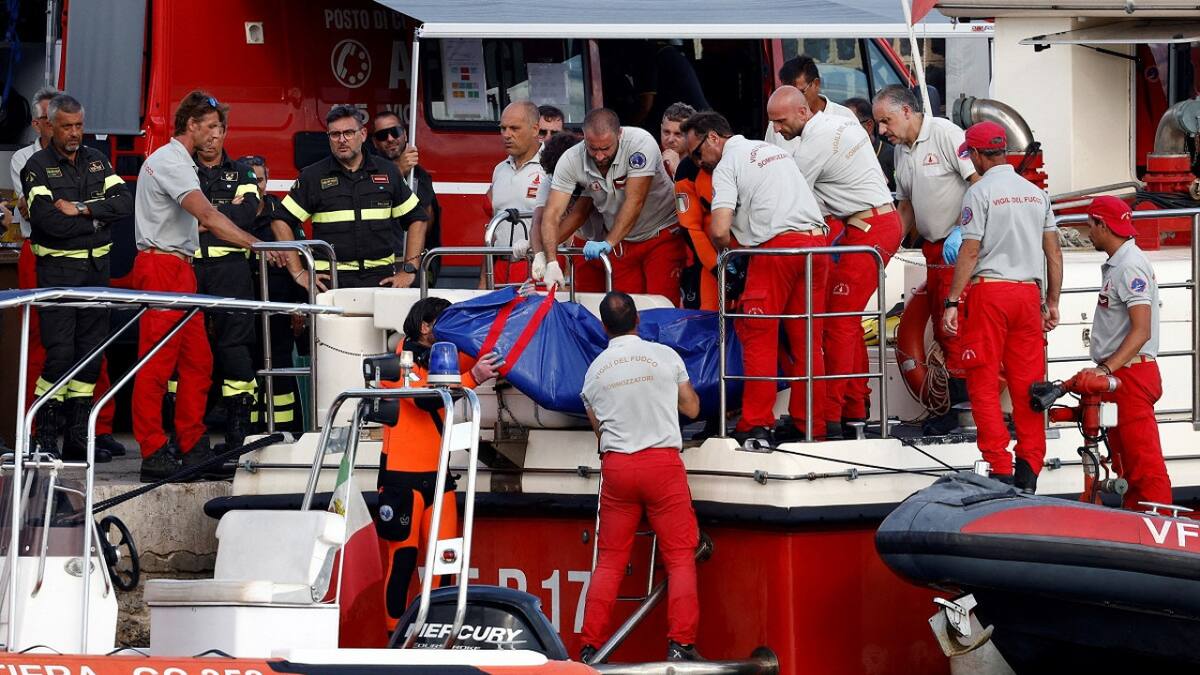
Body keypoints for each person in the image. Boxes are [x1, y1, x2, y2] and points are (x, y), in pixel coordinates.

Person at [129, 91, 264, 482]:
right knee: (157, 364)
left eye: (219, 127)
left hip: (179, 267)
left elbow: (203, 219)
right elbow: (206, 214)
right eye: (210, 126)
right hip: (161, 266)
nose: (216, 135)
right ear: (191, 125)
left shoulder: (180, 162)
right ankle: (153, 451)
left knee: (198, 363)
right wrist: (257, 245)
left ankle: (192, 447)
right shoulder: (172, 162)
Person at [684, 111, 830, 444]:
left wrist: (731, 259)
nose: (698, 163)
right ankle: (812, 425)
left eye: (697, 153)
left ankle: (755, 423)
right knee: (808, 342)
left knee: (758, 336)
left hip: (776, 250)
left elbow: (719, 229)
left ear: (713, 138)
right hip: (815, 247)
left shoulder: (727, 165)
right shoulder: (773, 150)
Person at [766, 86, 901, 438]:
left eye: (780, 122)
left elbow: (787, 195)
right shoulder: (841, 122)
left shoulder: (814, 143)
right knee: (845, 322)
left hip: (869, 228)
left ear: (802, 112)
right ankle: (853, 408)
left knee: (838, 323)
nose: (776, 129)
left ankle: (831, 416)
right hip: (870, 224)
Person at [578, 291, 701, 663]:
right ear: (638, 320)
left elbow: (599, 431)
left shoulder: (594, 372)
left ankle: (590, 647)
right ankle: (680, 645)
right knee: (679, 557)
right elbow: (692, 409)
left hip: (618, 468)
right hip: (661, 465)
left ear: (604, 327)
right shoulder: (665, 356)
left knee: (610, 561)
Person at [942, 121, 1062, 493]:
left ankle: (999, 467)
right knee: (1030, 388)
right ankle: (1029, 469)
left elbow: (970, 250)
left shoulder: (978, 193)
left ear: (978, 154)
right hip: (1028, 296)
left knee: (982, 382)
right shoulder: (1036, 194)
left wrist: (951, 300)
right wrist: (1052, 302)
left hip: (990, 295)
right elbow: (1054, 253)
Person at [376, 297, 501, 635]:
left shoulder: (446, 356)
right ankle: (393, 636)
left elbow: (486, 346)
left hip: (438, 480)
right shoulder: (396, 365)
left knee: (445, 562)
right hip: (401, 482)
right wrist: (472, 378)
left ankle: (436, 631)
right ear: (425, 326)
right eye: (446, 322)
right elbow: (424, 398)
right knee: (403, 562)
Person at [21, 94, 132, 462]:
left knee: (90, 356)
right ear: (50, 126)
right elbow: (48, 222)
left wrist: (82, 209)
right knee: (60, 355)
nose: (74, 133)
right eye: (67, 126)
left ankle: (76, 438)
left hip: (96, 274)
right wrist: (97, 222)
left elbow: (124, 203)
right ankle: (44, 437)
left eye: (79, 125)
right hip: (58, 275)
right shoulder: (36, 166)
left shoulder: (97, 159)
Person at [874, 84, 979, 434]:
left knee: (954, 329)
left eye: (886, 121)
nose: (881, 131)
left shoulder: (946, 135)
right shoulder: (901, 152)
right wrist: (886, 249)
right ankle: (954, 409)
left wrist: (965, 229)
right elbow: (905, 207)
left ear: (907, 111)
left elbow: (978, 183)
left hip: (958, 249)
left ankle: (964, 413)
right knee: (941, 325)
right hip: (933, 251)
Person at [274, 105, 428, 291]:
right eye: (335, 134)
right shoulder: (313, 176)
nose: (342, 140)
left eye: (348, 133)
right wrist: (298, 272)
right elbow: (280, 221)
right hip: (330, 281)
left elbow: (417, 218)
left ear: (362, 134)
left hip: (381, 279)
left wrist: (409, 269)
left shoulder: (387, 172)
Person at [540, 108, 686, 306]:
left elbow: (635, 201)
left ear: (619, 134)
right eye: (593, 149)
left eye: (606, 148)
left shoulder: (640, 143)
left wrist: (608, 242)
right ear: (584, 137)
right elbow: (552, 212)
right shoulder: (572, 159)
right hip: (622, 241)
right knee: (623, 309)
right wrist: (549, 259)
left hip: (660, 232)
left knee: (662, 305)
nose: (600, 156)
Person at [1080, 196, 1172, 508]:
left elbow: (1141, 330)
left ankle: (1159, 523)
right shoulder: (1123, 263)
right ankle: (1140, 521)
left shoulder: (1129, 266)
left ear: (1103, 226)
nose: (1088, 232)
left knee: (1143, 464)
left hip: (1130, 374)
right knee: (1127, 463)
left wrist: (1105, 370)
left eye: (1091, 225)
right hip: (1125, 373)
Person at [193, 118, 261, 452]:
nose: (211, 137)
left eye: (216, 131)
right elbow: (173, 215)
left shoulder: (243, 173)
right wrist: (221, 214)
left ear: (224, 133)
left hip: (231, 270)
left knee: (234, 348)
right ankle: (187, 436)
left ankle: (238, 435)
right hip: (189, 268)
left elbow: (247, 213)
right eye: (205, 131)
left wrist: (205, 217)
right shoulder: (182, 170)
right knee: (185, 350)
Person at [242, 154, 304, 432]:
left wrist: (299, 306)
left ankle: (284, 430)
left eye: (260, 180)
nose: (256, 186)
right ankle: (250, 432)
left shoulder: (281, 214)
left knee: (279, 368)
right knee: (245, 369)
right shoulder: (231, 214)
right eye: (249, 181)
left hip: (279, 304)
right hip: (243, 304)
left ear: (267, 181)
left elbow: (299, 260)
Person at [525, 131, 608, 293]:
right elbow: (538, 221)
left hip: (612, 241)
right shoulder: (550, 178)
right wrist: (538, 254)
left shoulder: (590, 171)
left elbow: (578, 215)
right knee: (586, 297)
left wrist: (545, 250)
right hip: (584, 243)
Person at [371, 111, 442, 285]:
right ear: (374, 142)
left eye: (395, 132)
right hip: (378, 264)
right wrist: (398, 171)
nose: (390, 139)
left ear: (404, 134)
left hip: (412, 264)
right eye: (382, 135)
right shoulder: (367, 172)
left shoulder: (419, 176)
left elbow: (426, 220)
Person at [484, 101, 543, 287]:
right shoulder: (499, 170)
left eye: (514, 128)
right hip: (500, 266)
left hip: (536, 266)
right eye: (503, 128)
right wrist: (483, 280)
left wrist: (565, 276)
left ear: (535, 129)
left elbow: (566, 225)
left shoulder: (552, 166)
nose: (506, 135)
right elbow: (493, 230)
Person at [764, 56, 856, 154]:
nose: (793, 100)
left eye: (800, 92)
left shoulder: (844, 117)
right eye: (787, 94)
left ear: (816, 84)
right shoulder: (777, 126)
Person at [843, 97, 895, 192]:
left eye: (848, 125)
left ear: (869, 126)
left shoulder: (892, 156)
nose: (841, 132)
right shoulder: (839, 155)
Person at [659, 102, 695, 179]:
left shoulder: (702, 163)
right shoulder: (650, 155)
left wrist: (678, 170)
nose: (670, 139)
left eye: (678, 134)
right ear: (661, 129)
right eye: (666, 132)